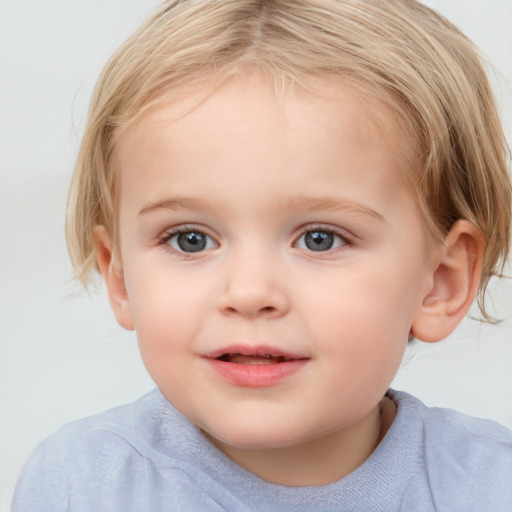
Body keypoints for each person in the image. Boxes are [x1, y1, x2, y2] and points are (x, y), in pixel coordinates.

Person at [11, 0, 512, 510]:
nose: (249, 293)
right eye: (190, 239)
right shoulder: (81, 487)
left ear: (440, 283)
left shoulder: (493, 487)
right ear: (119, 278)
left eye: (321, 238)